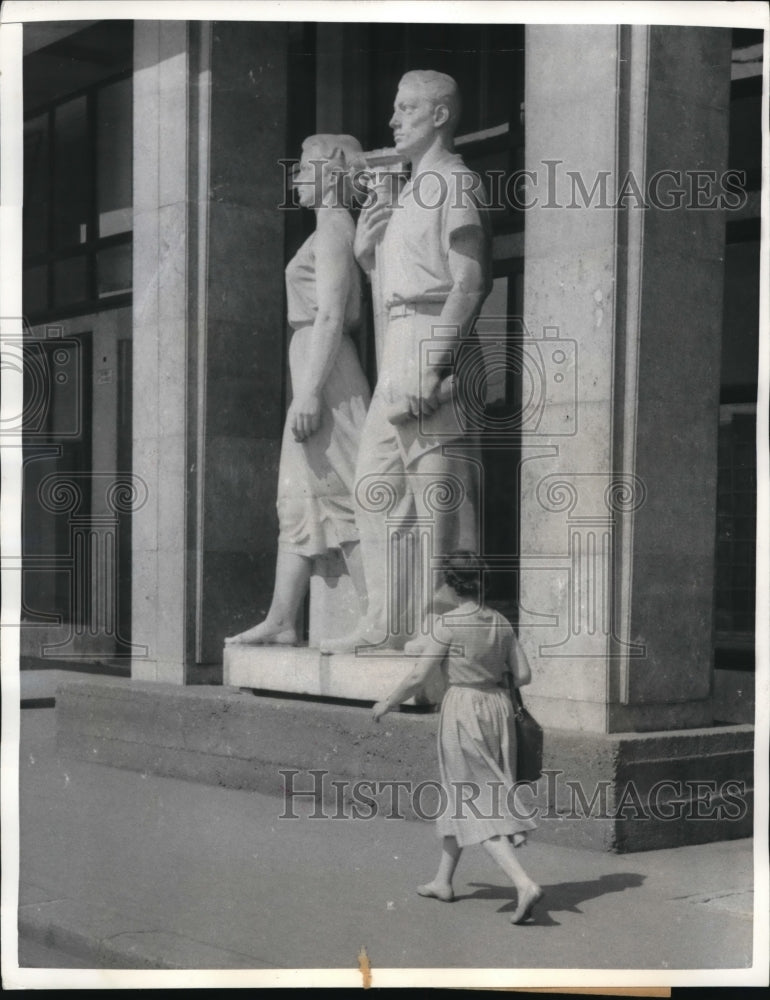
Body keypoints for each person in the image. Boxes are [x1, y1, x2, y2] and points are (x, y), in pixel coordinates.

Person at [323, 70, 492, 653]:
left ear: (440, 116)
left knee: (435, 491)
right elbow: (390, 289)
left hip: (429, 337)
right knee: (373, 484)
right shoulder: (411, 191)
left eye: (407, 108)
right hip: (400, 338)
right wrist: (370, 256)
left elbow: (469, 282)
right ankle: (385, 618)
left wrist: (435, 361)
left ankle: (436, 622)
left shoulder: (456, 183)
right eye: (395, 108)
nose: (393, 119)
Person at [226, 135, 370, 647]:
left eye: (305, 167)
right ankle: (283, 618)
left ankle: (378, 620)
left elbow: (332, 313)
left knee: (348, 489)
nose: (296, 177)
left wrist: (309, 392)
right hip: (310, 367)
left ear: (333, 168)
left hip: (325, 373)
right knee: (297, 499)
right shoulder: (323, 231)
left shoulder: (333, 230)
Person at [372, 551, 543, 925]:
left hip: (463, 709)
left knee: (475, 802)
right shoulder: (499, 621)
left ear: (451, 584)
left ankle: (522, 882)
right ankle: (442, 881)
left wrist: (387, 702)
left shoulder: (447, 623)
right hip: (497, 709)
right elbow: (524, 674)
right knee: (462, 793)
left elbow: (419, 676)